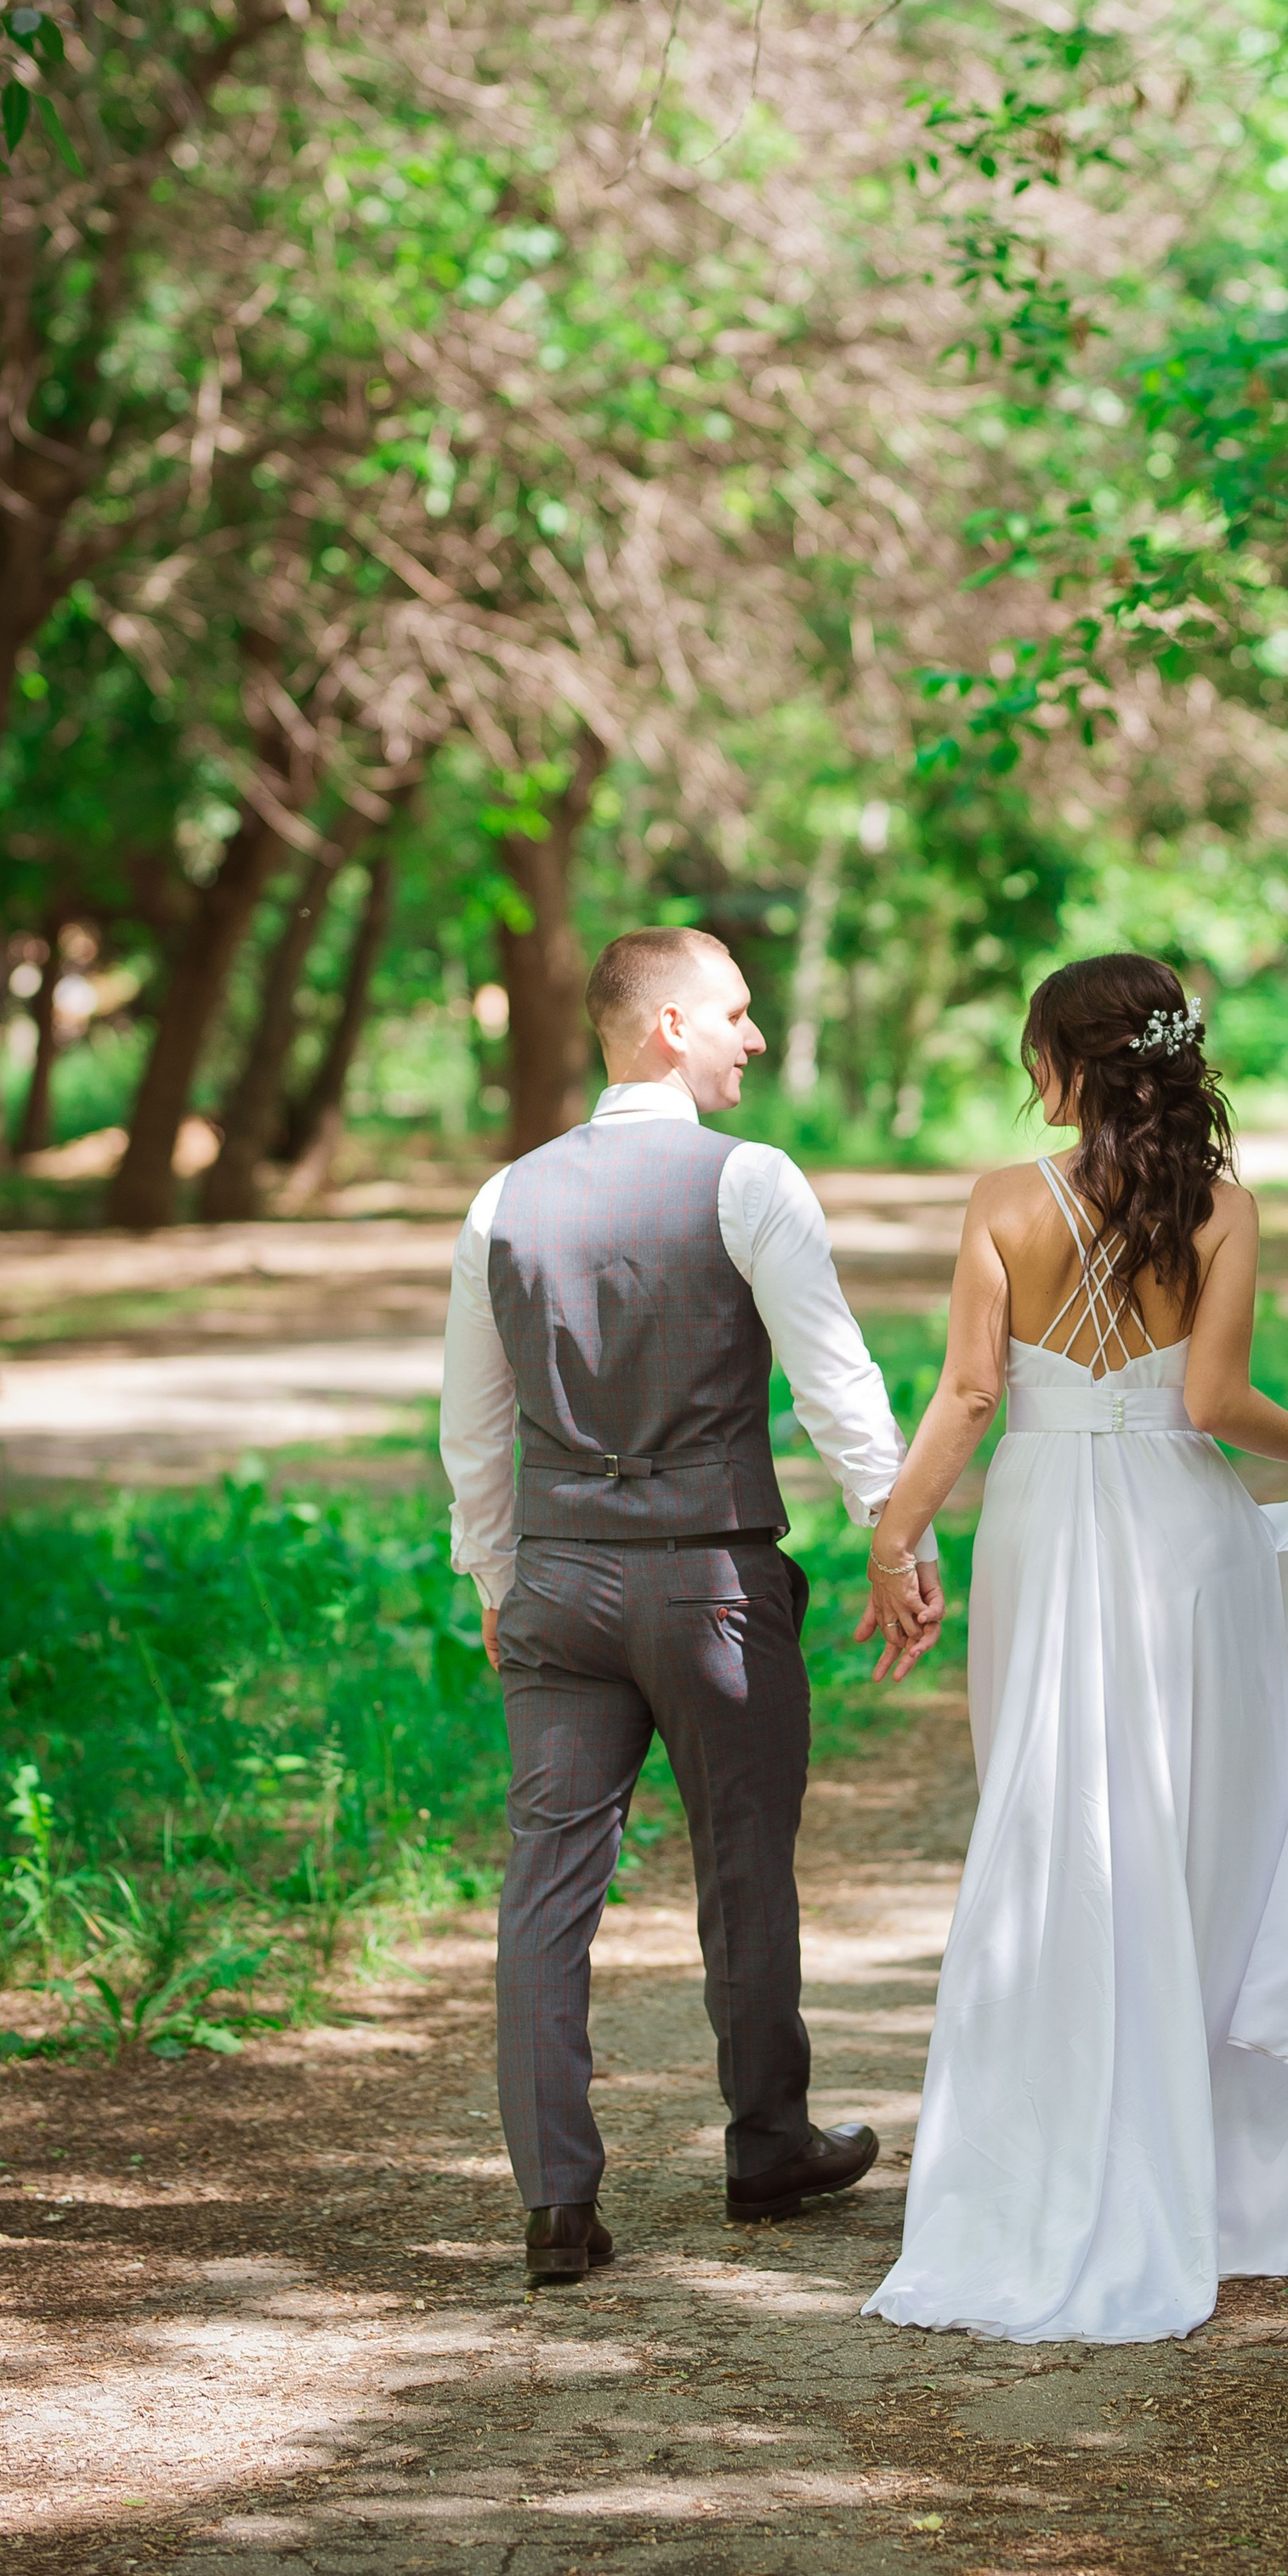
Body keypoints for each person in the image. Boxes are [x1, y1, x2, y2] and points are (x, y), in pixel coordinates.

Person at [863, 951, 1288, 2345]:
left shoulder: (1002, 1200)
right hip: (1183, 1533)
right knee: (1205, 1841)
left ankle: (1049, 2167)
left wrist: (895, 1535)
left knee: (1054, 1826)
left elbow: (974, 1392)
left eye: (1033, 1052)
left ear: (1067, 1063)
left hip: (1047, 1533)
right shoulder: (1221, 1208)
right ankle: (1228, 2186)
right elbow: (1216, 1401)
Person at [440, 925, 943, 2287]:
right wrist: (894, 1536)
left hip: (557, 1580)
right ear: (668, 1027)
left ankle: (556, 2202)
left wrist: (496, 1577)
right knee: (741, 1869)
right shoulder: (751, 1181)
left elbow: (474, 1434)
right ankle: (766, 2146)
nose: (754, 1037)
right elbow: (836, 1380)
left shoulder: (502, 1201)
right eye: (732, 1013)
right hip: (712, 1580)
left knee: (546, 1890)